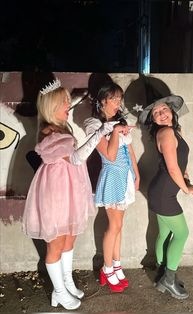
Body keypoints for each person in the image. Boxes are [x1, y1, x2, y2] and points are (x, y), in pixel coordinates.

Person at [22, 79, 116, 310]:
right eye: (63, 102)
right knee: (55, 245)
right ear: (51, 106)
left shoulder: (63, 128)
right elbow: (75, 158)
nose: (68, 105)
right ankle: (61, 292)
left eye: (67, 101)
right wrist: (101, 133)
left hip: (70, 191)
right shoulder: (48, 132)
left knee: (69, 238)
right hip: (55, 194)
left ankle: (65, 284)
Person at [139, 95, 193, 300]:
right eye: (156, 113)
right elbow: (173, 168)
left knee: (164, 233)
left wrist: (187, 178)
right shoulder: (165, 132)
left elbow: (181, 162)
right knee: (181, 234)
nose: (161, 114)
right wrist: (186, 189)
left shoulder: (175, 132)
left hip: (161, 191)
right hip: (165, 193)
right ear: (153, 119)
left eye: (163, 109)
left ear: (171, 111)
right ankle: (169, 280)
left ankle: (162, 274)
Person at [84, 82, 140, 293]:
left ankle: (116, 264)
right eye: (114, 99)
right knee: (113, 226)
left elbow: (130, 151)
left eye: (119, 99)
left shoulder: (120, 120)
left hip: (125, 177)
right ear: (102, 101)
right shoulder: (93, 124)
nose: (118, 103)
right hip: (111, 175)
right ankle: (107, 269)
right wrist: (116, 130)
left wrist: (136, 174)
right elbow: (110, 154)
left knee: (119, 226)